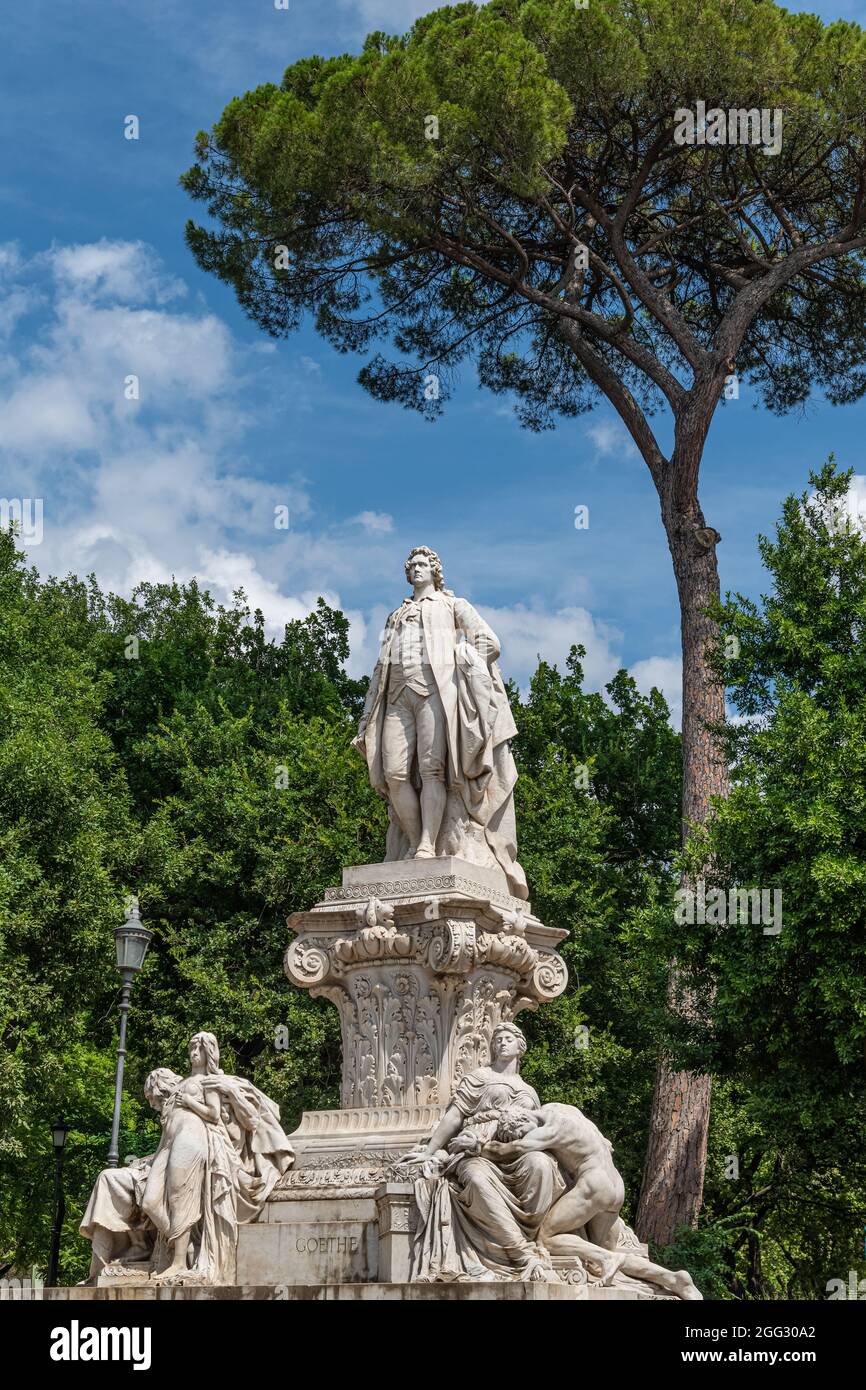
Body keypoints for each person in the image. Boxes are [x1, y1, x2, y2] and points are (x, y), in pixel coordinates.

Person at [354, 546, 527, 898]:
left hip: (435, 693)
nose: (417, 569)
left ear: (435, 571)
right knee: (395, 775)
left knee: (433, 770)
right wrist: (365, 717)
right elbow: (378, 671)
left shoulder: (452, 605)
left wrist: (461, 657)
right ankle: (417, 841)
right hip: (397, 697)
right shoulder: (395, 616)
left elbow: (489, 643)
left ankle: (427, 846)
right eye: (412, 565)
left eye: (423, 565)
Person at [489, 1102, 703, 1299]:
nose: (526, 1137)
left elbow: (515, 1149)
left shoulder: (551, 1129)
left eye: (522, 1133)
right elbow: (607, 1145)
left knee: (546, 1239)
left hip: (594, 1185)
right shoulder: (566, 1111)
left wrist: (478, 1147)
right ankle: (672, 1279)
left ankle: (609, 1259)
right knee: (600, 1259)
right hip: (616, 1186)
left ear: (524, 1119)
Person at [403, 1022, 563, 1280]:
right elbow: (455, 1116)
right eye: (497, 1039)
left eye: (508, 1038)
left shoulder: (529, 1091)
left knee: (542, 1166)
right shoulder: (480, 1077)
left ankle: (530, 1233)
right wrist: (430, 1150)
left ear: (520, 1046)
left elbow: (535, 1129)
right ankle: (519, 1252)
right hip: (475, 1148)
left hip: (513, 1152)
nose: (501, 1042)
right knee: (477, 1179)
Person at [78, 1067, 181, 1283]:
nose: (152, 1104)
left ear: (163, 1090)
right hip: (160, 1166)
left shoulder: (181, 1109)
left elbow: (180, 1149)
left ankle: (144, 1245)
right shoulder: (170, 1112)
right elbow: (164, 1149)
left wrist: (151, 1166)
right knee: (111, 1177)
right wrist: (145, 1162)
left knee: (110, 1178)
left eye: (152, 1098)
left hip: (175, 1171)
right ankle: (136, 1245)